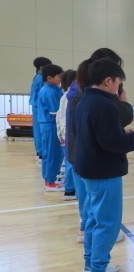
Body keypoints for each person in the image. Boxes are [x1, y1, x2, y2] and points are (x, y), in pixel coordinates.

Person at [73, 58, 134, 272]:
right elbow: (112, 143)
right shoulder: (105, 105)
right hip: (103, 170)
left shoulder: (84, 100)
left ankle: (91, 265)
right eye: (118, 82)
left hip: (88, 168)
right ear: (108, 81)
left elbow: (96, 134)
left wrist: (121, 131)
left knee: (93, 220)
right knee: (107, 223)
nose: (119, 87)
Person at [38, 64, 65, 192]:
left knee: (49, 153)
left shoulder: (52, 89)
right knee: (53, 153)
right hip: (51, 124)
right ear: (49, 78)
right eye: (59, 76)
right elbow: (56, 111)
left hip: (48, 124)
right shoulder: (49, 91)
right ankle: (50, 181)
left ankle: (48, 179)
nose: (61, 79)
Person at [56, 69, 77, 200]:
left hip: (65, 132)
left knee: (69, 162)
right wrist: (63, 133)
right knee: (71, 163)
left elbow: (59, 116)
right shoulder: (70, 96)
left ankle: (69, 189)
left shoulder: (66, 95)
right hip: (67, 133)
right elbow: (62, 117)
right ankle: (69, 190)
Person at [30, 57, 52, 161]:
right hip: (39, 107)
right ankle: (41, 153)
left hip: (37, 106)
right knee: (40, 130)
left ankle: (40, 152)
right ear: (42, 67)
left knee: (38, 129)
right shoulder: (40, 79)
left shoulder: (37, 77)